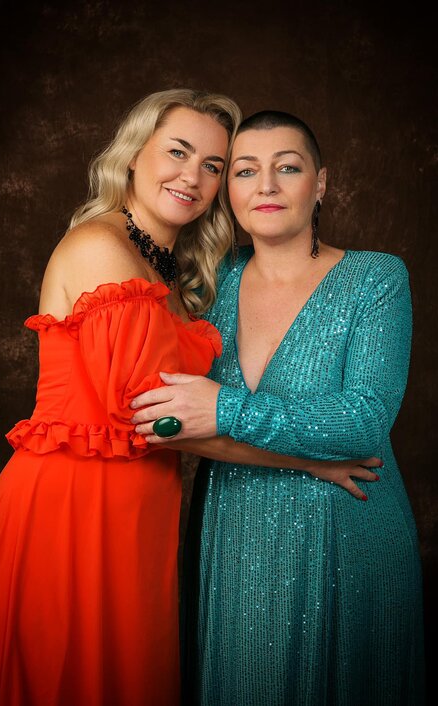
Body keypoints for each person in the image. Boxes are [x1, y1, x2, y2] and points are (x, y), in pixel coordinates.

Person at [0, 90, 382, 706]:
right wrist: (308, 461)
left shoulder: (167, 266)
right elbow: (160, 421)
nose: (192, 177)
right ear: (134, 155)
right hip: (71, 512)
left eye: (214, 165)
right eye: (178, 152)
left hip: (135, 519)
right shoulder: (102, 247)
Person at [130, 111, 426, 705]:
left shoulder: (376, 279)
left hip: (349, 529)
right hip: (233, 528)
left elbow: (365, 421)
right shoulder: (209, 280)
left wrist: (227, 409)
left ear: (321, 183)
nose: (265, 185)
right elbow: (162, 417)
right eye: (245, 171)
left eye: (287, 168)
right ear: (228, 191)